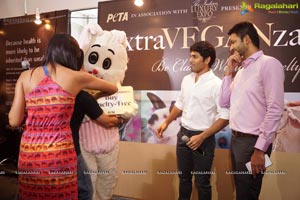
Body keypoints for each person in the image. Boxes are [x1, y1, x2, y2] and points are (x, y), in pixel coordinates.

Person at [8, 33, 118, 200]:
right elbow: (113, 88)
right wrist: (94, 96)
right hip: (59, 155)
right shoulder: (77, 77)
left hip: (30, 154)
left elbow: (14, 120)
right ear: (72, 55)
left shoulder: (26, 76)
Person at [219, 21, 284, 200]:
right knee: (242, 192)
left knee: (247, 194)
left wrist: (260, 150)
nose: (231, 47)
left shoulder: (269, 64)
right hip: (237, 141)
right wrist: (228, 71)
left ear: (246, 39)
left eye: (233, 42)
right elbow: (224, 101)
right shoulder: (241, 71)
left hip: (253, 144)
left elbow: (275, 109)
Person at [156, 41, 229, 200]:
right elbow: (180, 104)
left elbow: (224, 117)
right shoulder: (186, 80)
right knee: (184, 179)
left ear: (207, 60)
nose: (190, 60)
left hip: (203, 139)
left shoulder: (217, 85)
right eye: (190, 56)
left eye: (195, 57)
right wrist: (166, 122)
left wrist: (202, 136)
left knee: (202, 182)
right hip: (183, 135)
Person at [68, 50, 121, 200]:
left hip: (103, 144)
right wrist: (119, 121)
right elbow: (107, 120)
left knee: (104, 183)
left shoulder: (65, 91)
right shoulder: (82, 96)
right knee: (88, 186)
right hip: (82, 146)